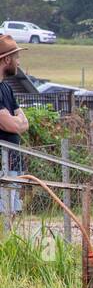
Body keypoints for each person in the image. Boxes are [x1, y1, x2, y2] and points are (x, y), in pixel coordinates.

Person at [0, 35, 30, 221]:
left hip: (12, 162)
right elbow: (10, 124)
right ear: (7, 59)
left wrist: (16, 122)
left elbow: (23, 123)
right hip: (1, 163)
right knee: (3, 213)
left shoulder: (7, 88)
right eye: (17, 57)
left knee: (10, 213)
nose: (19, 62)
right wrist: (16, 122)